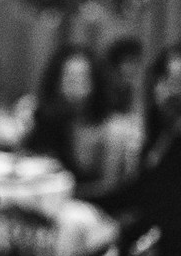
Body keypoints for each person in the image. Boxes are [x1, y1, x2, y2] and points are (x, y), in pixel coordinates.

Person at [100, 43, 181, 256]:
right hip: (146, 244)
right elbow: (137, 193)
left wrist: (120, 228)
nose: (168, 91)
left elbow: (167, 215)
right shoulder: (162, 135)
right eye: (164, 80)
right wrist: (83, 198)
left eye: (177, 83)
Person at [23, 44, 139, 199]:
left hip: (97, 205)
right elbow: (28, 158)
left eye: (81, 78)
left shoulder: (112, 128)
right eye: (68, 77)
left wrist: (59, 194)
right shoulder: (54, 118)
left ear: (96, 81)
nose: (73, 85)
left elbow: (110, 188)